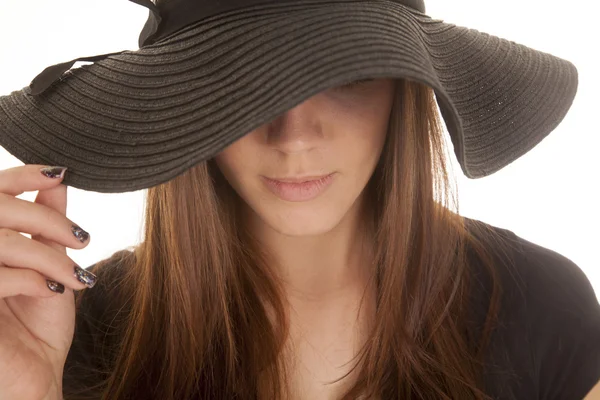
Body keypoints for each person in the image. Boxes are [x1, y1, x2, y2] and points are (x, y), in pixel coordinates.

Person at [0, 0, 598, 399]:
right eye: (241, 80)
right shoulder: (75, 332)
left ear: (405, 88)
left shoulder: (536, 306)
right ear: (183, 99)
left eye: (346, 75)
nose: (294, 136)